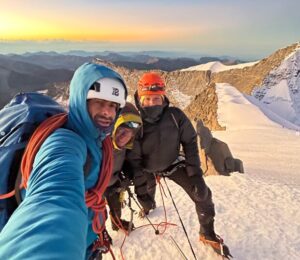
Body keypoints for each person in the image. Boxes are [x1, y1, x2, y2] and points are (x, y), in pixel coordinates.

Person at [0, 63, 127, 260]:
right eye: (98, 102)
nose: (106, 112)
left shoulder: (97, 140)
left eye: (112, 105)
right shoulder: (65, 142)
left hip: (88, 245)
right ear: (80, 101)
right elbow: (55, 198)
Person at [127, 72, 231, 258]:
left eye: (156, 99)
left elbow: (190, 142)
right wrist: (140, 186)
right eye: (147, 99)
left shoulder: (175, 116)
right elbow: (133, 157)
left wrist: (196, 175)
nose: (152, 103)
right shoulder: (135, 121)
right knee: (148, 192)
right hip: (146, 168)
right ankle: (148, 206)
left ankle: (207, 233)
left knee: (203, 195)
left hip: (172, 164)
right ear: (140, 97)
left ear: (163, 97)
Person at [105, 102, 142, 232]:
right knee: (98, 213)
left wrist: (127, 174)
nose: (124, 135)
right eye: (121, 129)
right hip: (96, 188)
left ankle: (117, 223)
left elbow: (125, 162)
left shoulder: (125, 146)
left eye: (130, 131)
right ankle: (100, 233)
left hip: (113, 181)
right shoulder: (100, 144)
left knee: (116, 207)